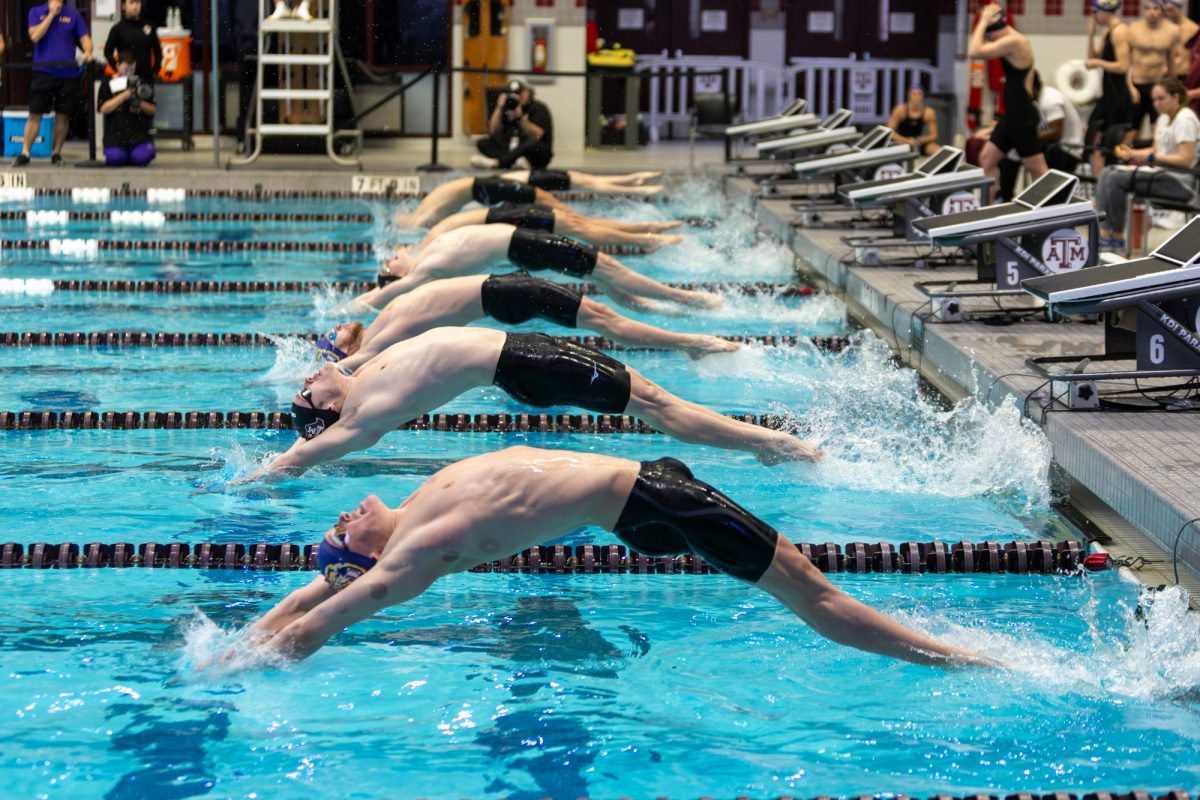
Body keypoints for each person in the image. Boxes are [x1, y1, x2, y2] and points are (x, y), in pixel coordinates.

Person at [235, 446, 993, 666]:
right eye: (341, 531)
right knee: (813, 595)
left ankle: (950, 651)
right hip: (656, 502)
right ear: (362, 557)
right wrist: (236, 666)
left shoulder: (417, 502)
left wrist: (242, 634)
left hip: (647, 489)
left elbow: (314, 592)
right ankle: (961, 658)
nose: (341, 514)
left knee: (805, 583)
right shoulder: (418, 550)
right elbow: (326, 617)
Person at [256, 327, 822, 479]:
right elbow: (307, 455)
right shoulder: (364, 414)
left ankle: (767, 445)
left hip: (526, 353)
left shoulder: (358, 373)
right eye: (307, 392)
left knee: (655, 401)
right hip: (529, 367)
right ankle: (769, 446)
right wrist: (257, 474)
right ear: (326, 412)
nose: (308, 377)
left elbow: (350, 337)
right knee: (660, 408)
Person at [315, 273, 738, 372]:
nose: (333, 330)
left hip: (511, 293)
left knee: (607, 322)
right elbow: (354, 365)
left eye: (328, 337)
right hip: (509, 295)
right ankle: (686, 340)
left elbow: (350, 364)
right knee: (606, 321)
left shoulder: (380, 326)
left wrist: (321, 368)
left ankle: (687, 341)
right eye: (331, 338)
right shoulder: (380, 332)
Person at [362, 224, 721, 311]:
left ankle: (656, 307)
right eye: (388, 263)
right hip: (528, 245)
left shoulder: (426, 250)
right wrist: (352, 305)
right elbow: (389, 293)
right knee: (610, 270)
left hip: (525, 245)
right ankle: (688, 300)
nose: (392, 254)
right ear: (397, 274)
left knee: (606, 276)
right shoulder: (428, 268)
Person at [1096, 78, 1198, 250]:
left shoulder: (1185, 119)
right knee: (1107, 172)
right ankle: (1106, 233)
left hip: (1182, 182)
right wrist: (1134, 153)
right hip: (1160, 174)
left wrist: (1151, 159)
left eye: (1161, 98)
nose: (1156, 104)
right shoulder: (1163, 119)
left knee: (1115, 179)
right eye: (1154, 100)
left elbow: (1185, 160)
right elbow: (1156, 151)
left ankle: (1116, 237)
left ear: (1175, 97)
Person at [968, 4, 1049, 202]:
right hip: (1011, 115)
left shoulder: (1015, 41)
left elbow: (974, 51)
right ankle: (987, 214)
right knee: (986, 159)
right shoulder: (1009, 36)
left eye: (988, 35)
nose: (988, 40)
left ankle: (1062, 212)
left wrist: (982, 22)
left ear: (995, 30)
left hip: (1022, 116)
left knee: (1037, 169)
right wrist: (987, 21)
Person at [394, 170, 663, 230]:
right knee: (587, 184)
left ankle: (637, 212)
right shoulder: (429, 202)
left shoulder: (426, 218)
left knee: (577, 219)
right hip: (505, 183)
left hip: (511, 187)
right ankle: (637, 183)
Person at [412, 203, 683, 255]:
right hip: (512, 214)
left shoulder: (429, 245)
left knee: (584, 229)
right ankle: (646, 230)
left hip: (518, 217)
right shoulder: (431, 236)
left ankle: (646, 237)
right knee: (583, 225)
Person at [14, 0, 93, 167]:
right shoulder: (36, 12)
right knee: (35, 113)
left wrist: (88, 51)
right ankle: (25, 153)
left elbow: (85, 38)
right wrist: (51, 14)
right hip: (43, 72)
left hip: (67, 73)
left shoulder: (73, 14)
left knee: (63, 115)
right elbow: (35, 36)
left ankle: (56, 153)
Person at [996, 71, 1084, 200]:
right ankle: (1005, 196)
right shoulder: (1031, 102)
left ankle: (1044, 199)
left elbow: (1055, 132)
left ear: (1032, 88)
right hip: (1051, 147)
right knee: (1011, 151)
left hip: (1068, 150)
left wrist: (1025, 138)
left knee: (1025, 149)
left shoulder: (1051, 100)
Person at [1124, 0, 1182, 147]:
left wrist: (1173, 88)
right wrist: (1130, 86)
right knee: (1131, 130)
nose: (1152, 12)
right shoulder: (1133, 29)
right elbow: (1129, 62)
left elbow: (1171, 62)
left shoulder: (1173, 30)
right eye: (1148, 8)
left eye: (1156, 8)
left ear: (1162, 11)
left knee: (1158, 128)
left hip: (1158, 86)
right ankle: (1124, 163)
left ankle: (1153, 162)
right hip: (1137, 84)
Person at [1084, 0, 1133, 177]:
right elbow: (1092, 58)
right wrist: (1090, 35)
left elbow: (1123, 65)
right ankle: (1099, 181)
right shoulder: (1107, 32)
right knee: (1092, 136)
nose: (1093, 17)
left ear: (1104, 11)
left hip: (1118, 94)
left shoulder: (1120, 32)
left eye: (1095, 12)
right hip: (1108, 94)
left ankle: (1111, 180)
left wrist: (1097, 62)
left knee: (1112, 143)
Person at [471, 79, 554, 170]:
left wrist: (520, 118)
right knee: (482, 143)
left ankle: (498, 163)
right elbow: (493, 132)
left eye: (520, 93)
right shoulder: (507, 107)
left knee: (531, 144)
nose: (517, 96)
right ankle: (514, 161)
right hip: (512, 147)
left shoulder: (538, 108)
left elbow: (537, 135)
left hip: (534, 152)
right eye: (513, 93)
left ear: (527, 92)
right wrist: (499, 108)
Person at [97, 49, 156, 167]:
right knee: (116, 159)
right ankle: (123, 155)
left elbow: (152, 110)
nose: (129, 73)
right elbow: (103, 109)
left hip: (138, 135)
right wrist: (124, 96)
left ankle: (133, 154)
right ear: (118, 66)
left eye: (132, 69)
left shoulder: (141, 83)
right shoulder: (108, 83)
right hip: (115, 136)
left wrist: (139, 102)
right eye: (126, 69)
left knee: (141, 158)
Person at [103, 0, 161, 84]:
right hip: (125, 77)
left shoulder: (149, 27)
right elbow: (107, 51)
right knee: (125, 97)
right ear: (123, 6)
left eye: (138, 2)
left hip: (146, 77)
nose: (135, 6)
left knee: (145, 96)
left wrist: (156, 70)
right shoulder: (117, 29)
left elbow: (157, 51)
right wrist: (117, 68)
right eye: (131, 2)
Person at [886, 85, 940, 156]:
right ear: (909, 95)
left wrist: (919, 140)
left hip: (918, 143)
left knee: (937, 149)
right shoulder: (900, 110)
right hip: (901, 142)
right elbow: (889, 132)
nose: (916, 97)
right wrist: (906, 141)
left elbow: (934, 135)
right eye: (914, 94)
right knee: (891, 149)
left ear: (923, 96)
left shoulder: (928, 112)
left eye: (919, 94)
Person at [1161, 0, 1198, 80]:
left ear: (1180, 9)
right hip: (1164, 73)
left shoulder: (1193, 28)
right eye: (1165, 10)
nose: (1167, 13)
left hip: (1183, 73)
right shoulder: (1162, 27)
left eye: (1170, 10)